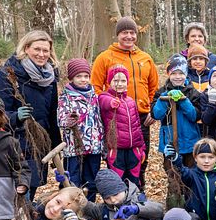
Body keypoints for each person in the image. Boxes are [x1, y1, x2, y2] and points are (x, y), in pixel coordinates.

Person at [0, 30, 62, 197]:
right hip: (15, 144)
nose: (41, 54)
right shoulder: (7, 74)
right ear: (26, 48)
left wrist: (55, 146)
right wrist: (15, 116)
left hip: (39, 144)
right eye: (37, 49)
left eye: (46, 50)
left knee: (32, 189)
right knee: (19, 195)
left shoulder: (50, 78)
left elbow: (52, 115)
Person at [91, 17, 159, 188]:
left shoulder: (145, 58)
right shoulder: (105, 58)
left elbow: (154, 87)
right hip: (115, 118)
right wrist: (108, 105)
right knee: (117, 160)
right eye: (124, 33)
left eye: (132, 33)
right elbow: (95, 88)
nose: (128, 36)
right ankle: (117, 193)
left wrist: (153, 109)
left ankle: (138, 194)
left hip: (141, 117)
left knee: (140, 158)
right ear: (117, 35)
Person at [57, 58, 104, 200]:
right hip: (73, 147)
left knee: (91, 180)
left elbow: (100, 119)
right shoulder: (66, 96)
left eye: (86, 76)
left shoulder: (94, 96)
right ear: (71, 78)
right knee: (73, 180)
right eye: (79, 76)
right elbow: (60, 120)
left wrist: (102, 140)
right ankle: (71, 210)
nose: (83, 80)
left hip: (94, 145)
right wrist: (69, 120)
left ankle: (89, 209)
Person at [164, 138, 216, 220]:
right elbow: (182, 170)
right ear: (195, 158)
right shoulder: (192, 175)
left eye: (210, 157)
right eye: (202, 157)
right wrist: (176, 159)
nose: (206, 161)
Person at [99, 64, 146, 186]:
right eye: (116, 80)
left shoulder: (130, 101)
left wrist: (142, 148)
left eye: (123, 81)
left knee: (134, 180)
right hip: (116, 149)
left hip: (133, 149)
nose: (119, 84)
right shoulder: (105, 97)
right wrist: (111, 102)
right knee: (117, 181)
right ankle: (117, 204)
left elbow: (137, 127)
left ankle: (134, 202)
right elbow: (103, 101)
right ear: (110, 82)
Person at [151, 54, 201, 167]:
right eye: (173, 73)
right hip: (169, 141)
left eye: (181, 73)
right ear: (168, 74)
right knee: (172, 173)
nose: (177, 77)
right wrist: (165, 98)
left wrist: (183, 101)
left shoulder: (193, 93)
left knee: (190, 172)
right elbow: (156, 114)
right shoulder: (161, 92)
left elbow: (195, 116)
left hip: (190, 141)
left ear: (186, 74)